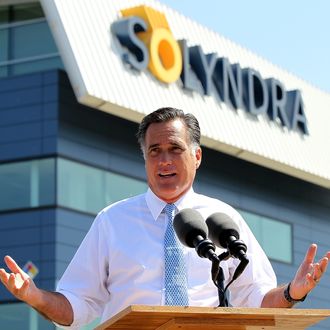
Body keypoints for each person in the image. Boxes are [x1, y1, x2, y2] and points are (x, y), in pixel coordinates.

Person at [0, 107, 329, 328]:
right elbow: (77, 304)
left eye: (175, 149)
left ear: (196, 156)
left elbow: (256, 299)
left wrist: (293, 293)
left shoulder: (223, 219)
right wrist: (34, 295)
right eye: (154, 152)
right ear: (144, 158)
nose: (164, 161)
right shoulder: (112, 221)